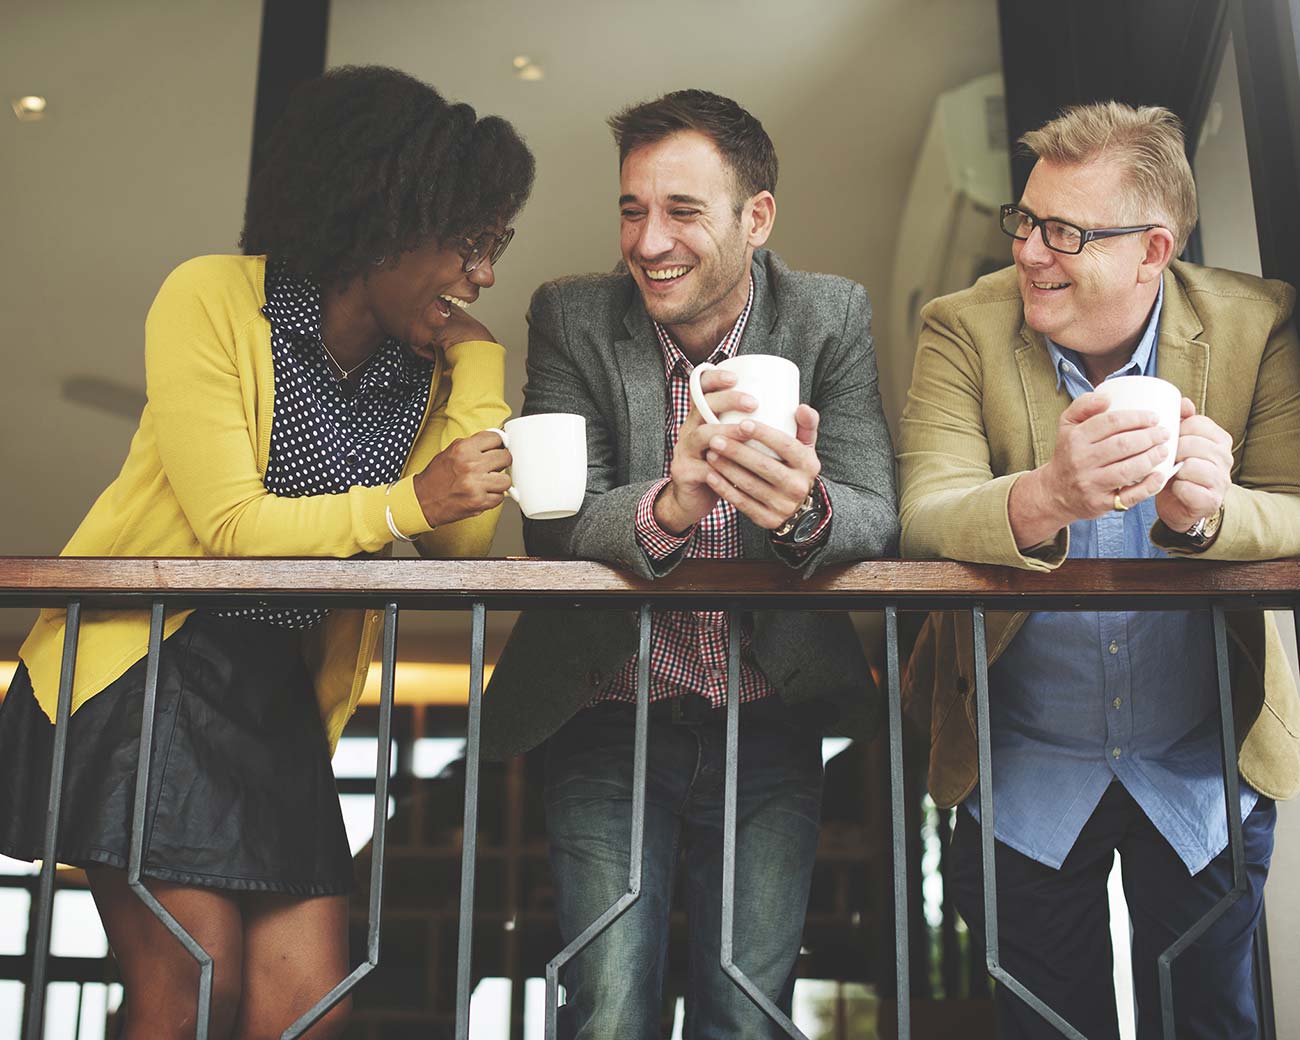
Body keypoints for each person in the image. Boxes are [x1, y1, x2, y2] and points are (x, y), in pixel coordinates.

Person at [0, 66, 533, 1039]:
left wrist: (482, 361)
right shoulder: (210, 297)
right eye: (466, 243)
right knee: (191, 991)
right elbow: (231, 530)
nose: (482, 273)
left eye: (494, 246)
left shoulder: (421, 364)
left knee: (310, 1005)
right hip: (150, 665)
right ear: (382, 216)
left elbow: (459, 534)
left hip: (272, 693)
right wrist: (409, 499)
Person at [482, 89, 898, 1037]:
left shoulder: (831, 315)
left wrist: (803, 508)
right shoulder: (574, 316)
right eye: (632, 208)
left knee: (747, 1017)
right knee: (607, 1009)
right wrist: (670, 505)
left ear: (758, 218)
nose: (648, 240)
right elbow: (556, 524)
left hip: (772, 720)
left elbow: (878, 512)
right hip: (606, 714)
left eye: (681, 211)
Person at [898, 100, 1300, 1038]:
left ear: (1153, 250)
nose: (1031, 251)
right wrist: (1047, 496)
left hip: (1201, 770)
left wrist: (1207, 516)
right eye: (1027, 220)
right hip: (1023, 771)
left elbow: (1291, 502)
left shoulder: (1255, 322)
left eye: (1066, 232)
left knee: (1214, 1025)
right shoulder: (961, 326)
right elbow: (923, 511)